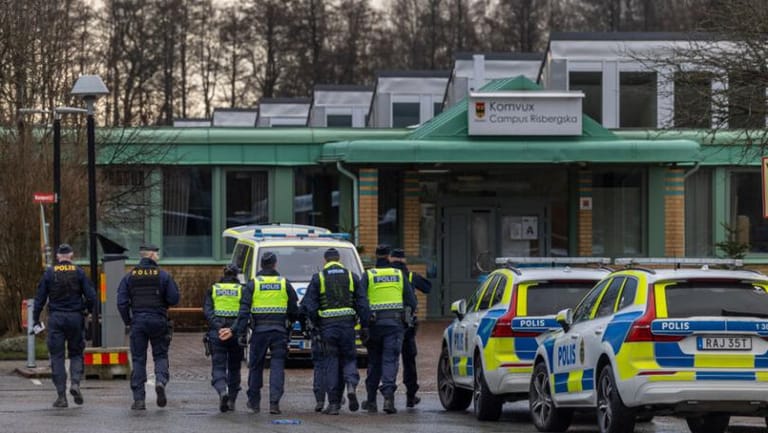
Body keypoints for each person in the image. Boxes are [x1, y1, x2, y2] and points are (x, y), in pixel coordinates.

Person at [302, 247, 369, 415]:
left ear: (325, 260)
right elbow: (363, 303)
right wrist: (365, 325)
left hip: (328, 327)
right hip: (347, 326)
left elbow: (309, 304)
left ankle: (333, 404)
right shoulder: (352, 276)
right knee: (349, 358)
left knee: (331, 362)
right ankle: (351, 384)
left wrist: (315, 322)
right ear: (339, 260)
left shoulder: (319, 277)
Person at [117, 243, 180, 410]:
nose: (158, 257)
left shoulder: (130, 276)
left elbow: (121, 302)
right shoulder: (163, 275)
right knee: (160, 355)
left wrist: (128, 321)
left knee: (138, 359)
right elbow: (174, 299)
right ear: (151, 255)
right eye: (157, 254)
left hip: (138, 321)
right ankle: (160, 381)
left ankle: (139, 400)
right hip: (158, 320)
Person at [33, 243, 97, 408]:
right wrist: (87, 310)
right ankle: (75, 383)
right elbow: (91, 296)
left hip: (56, 318)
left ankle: (61, 396)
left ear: (57, 256)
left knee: (57, 357)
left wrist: (35, 319)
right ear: (71, 255)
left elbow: (39, 299)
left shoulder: (49, 273)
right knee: (76, 353)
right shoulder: (79, 272)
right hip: (75, 317)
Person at [236, 251, 298, 415]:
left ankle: (254, 402)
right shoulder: (284, 283)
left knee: (256, 366)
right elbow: (294, 308)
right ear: (275, 264)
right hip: (279, 331)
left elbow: (243, 311)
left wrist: (241, 333)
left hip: (259, 332)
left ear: (261, 265)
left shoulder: (253, 284)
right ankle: (274, 403)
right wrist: (291, 322)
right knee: (277, 366)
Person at [360, 245, 417, 414]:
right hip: (395, 325)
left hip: (374, 326)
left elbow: (361, 302)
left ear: (376, 256)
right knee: (390, 361)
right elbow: (411, 302)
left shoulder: (369, 275)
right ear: (389, 257)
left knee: (374, 362)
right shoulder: (398, 274)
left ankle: (371, 400)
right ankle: (388, 399)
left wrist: (364, 324)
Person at [389, 248, 431, 407]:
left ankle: (387, 395)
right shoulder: (411, 276)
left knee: (388, 359)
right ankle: (411, 395)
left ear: (391, 259)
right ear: (404, 260)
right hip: (408, 324)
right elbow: (428, 287)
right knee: (409, 361)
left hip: (389, 322)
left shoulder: (386, 275)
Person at [203, 263, 247, 412]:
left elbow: (208, 311)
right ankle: (232, 400)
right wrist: (232, 329)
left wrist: (219, 327)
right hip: (236, 333)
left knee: (218, 366)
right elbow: (244, 313)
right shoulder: (242, 290)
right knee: (234, 367)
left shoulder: (214, 289)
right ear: (236, 275)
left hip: (217, 333)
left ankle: (222, 391)